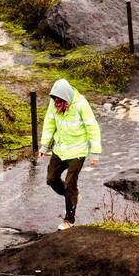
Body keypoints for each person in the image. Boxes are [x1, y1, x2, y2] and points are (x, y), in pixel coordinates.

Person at [39, 78, 101, 230]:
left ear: (66, 96)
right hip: (60, 150)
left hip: (77, 152)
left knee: (69, 184)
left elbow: (92, 127)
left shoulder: (81, 105)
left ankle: (69, 220)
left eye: (60, 100)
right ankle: (74, 196)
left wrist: (95, 152)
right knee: (51, 179)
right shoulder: (54, 105)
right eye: (55, 99)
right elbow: (49, 124)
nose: (57, 103)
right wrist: (44, 147)